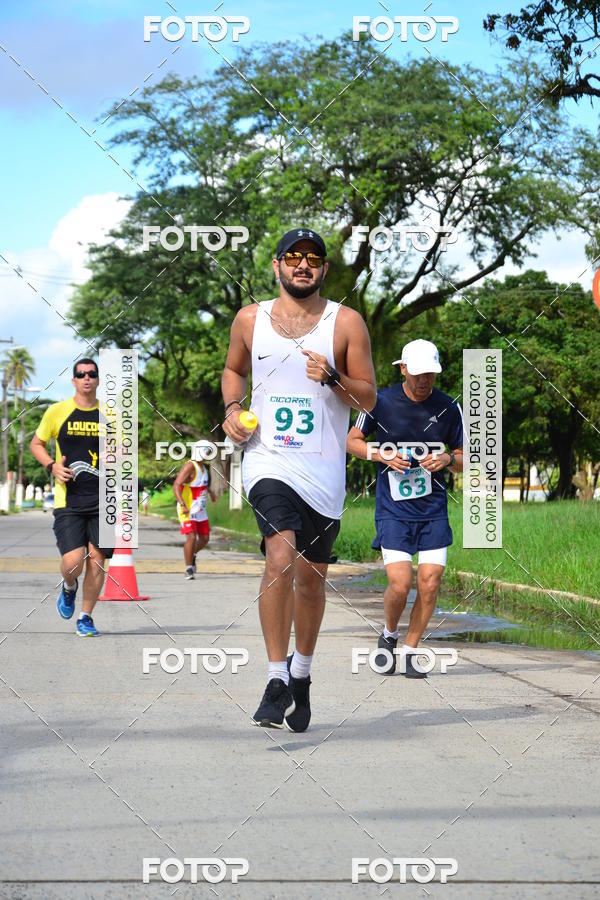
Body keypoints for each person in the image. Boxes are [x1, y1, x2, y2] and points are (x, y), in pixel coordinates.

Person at [222, 227, 376, 729]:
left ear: (324, 269)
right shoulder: (250, 319)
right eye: (293, 257)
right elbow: (233, 370)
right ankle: (274, 678)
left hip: (323, 470)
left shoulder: (346, 323)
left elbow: (368, 399)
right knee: (279, 556)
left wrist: (333, 378)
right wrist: (231, 407)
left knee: (312, 581)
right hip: (267, 459)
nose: (302, 265)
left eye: (312, 258)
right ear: (276, 265)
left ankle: (301, 675)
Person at [346, 339, 463, 677]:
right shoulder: (378, 402)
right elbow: (352, 442)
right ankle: (389, 635)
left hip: (432, 511)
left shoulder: (448, 408)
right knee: (400, 583)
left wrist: (445, 459)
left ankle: (411, 649)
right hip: (393, 510)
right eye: (417, 374)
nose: (424, 380)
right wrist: (379, 454)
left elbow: (465, 457)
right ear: (402, 369)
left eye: (430, 374)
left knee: (430, 580)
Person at [29, 358, 114, 636]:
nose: (86, 378)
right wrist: (51, 466)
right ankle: (69, 587)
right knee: (73, 561)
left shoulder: (111, 415)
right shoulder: (57, 411)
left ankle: (85, 616)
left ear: (99, 380)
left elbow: (123, 454)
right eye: (81, 374)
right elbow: (37, 443)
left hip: (104, 500)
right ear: (74, 380)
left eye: (92, 374)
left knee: (98, 559)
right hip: (69, 501)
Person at [172, 442, 216, 579]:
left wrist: (210, 492)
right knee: (191, 537)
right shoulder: (190, 466)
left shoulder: (204, 467)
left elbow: (200, 484)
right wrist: (182, 504)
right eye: (206, 451)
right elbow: (176, 485)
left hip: (200, 510)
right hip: (187, 509)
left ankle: (192, 554)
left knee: (205, 539)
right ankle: (188, 568)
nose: (208, 454)